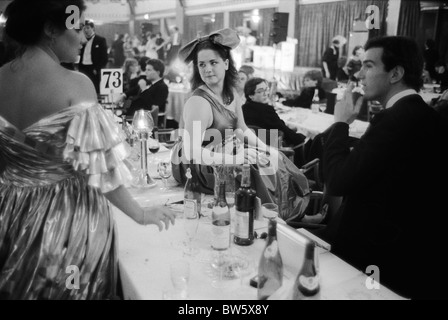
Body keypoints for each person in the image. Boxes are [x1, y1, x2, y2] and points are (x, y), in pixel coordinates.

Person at [0, 0, 175, 300]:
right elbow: (101, 169)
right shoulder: (75, 84)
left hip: (10, 213)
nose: (84, 37)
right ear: (51, 29)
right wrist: (140, 213)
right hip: (66, 220)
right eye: (78, 27)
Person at [322, 36, 448, 299]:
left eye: (368, 66)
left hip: (377, 259)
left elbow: (338, 181)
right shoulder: (425, 115)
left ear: (396, 73)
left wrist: (340, 124)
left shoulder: (396, 119)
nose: (359, 74)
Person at [170, 28, 310, 222]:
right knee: (251, 169)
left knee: (275, 159)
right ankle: (276, 220)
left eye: (213, 62)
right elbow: (191, 152)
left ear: (226, 63)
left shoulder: (232, 95)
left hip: (223, 149)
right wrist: (234, 159)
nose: (207, 69)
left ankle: (293, 216)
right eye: (201, 64)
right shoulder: (198, 102)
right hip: (196, 163)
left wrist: (266, 147)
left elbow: (241, 129)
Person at [242, 77, 306, 147]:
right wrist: (300, 137)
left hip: (252, 146)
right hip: (271, 147)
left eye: (266, 90)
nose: (265, 94)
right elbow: (284, 130)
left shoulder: (243, 108)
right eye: (260, 91)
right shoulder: (266, 110)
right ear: (251, 95)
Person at [78, 19, 108, 94]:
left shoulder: (100, 40)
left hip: (93, 69)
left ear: (93, 28)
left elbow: (104, 58)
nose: (86, 30)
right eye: (84, 28)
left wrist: (97, 69)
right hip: (83, 68)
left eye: (88, 28)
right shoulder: (82, 41)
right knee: (83, 89)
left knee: (95, 89)